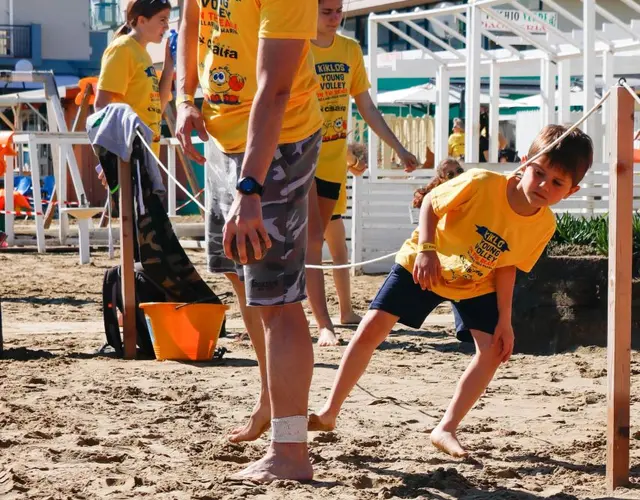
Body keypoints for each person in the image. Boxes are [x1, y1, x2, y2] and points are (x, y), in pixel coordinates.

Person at [309, 125, 594, 458]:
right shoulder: (483, 183)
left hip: (475, 281)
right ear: (524, 162)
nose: (544, 185)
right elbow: (431, 201)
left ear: (571, 191)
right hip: (427, 262)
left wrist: (505, 321)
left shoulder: (543, 226)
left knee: (492, 351)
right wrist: (427, 249)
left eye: (557, 182)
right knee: (371, 328)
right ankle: (329, 412)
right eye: (539, 173)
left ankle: (446, 428)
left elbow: (506, 266)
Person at [176, 0, 322, 482]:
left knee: (279, 298)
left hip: (278, 144)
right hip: (224, 137)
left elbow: (276, 89)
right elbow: (190, 20)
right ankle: (270, 401)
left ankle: (291, 451)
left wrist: (250, 188)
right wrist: (183, 99)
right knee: (241, 279)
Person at [309, 0, 419, 346]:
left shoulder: (349, 49)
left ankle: (342, 312)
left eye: (339, 10)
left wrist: (399, 149)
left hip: (334, 159)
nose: (335, 17)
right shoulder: (294, 47)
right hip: (299, 157)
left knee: (334, 241)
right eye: (327, 11)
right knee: (312, 243)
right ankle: (322, 320)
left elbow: (366, 106)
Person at [95, 0, 174, 158]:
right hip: (128, 154)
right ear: (142, 20)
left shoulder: (142, 54)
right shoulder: (122, 48)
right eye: (162, 19)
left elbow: (159, 106)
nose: (166, 26)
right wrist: (109, 155)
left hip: (146, 154)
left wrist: (170, 64)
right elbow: (101, 105)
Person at [323, 145, 368, 326]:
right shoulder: (339, 146)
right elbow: (358, 168)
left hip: (309, 203)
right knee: (340, 258)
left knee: (304, 260)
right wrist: (356, 161)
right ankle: (345, 311)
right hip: (329, 204)